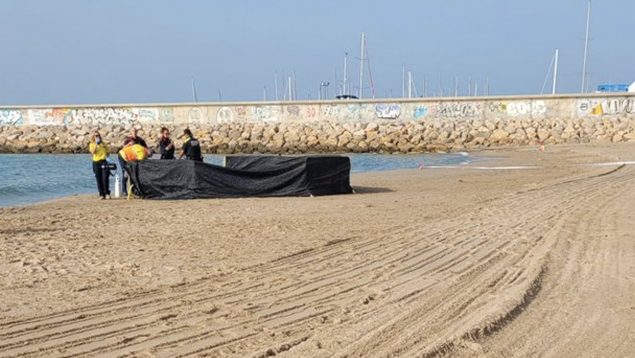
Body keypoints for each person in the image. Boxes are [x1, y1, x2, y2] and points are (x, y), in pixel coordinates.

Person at [89, 131, 111, 200]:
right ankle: (101, 194)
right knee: (98, 179)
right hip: (96, 162)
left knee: (105, 178)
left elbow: (108, 153)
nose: (97, 137)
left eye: (98, 135)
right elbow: (92, 152)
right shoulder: (92, 144)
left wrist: (106, 155)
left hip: (104, 162)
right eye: (95, 136)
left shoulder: (103, 144)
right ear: (93, 137)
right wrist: (96, 144)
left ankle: (107, 193)